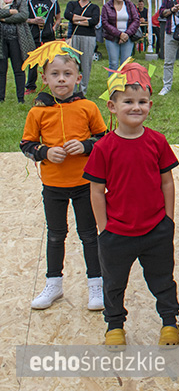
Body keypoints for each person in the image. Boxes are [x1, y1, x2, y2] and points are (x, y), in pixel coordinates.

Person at [82, 59, 179, 347]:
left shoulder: (157, 141)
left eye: (143, 101)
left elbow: (167, 181)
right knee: (114, 283)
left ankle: (169, 323)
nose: (136, 107)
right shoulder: (103, 148)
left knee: (163, 281)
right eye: (128, 101)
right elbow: (96, 191)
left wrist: (169, 219)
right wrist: (104, 228)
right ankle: (114, 326)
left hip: (155, 230)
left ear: (150, 104)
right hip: (117, 233)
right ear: (112, 107)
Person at [20, 41, 107, 311]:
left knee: (89, 235)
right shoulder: (37, 112)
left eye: (67, 74)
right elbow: (26, 145)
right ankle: (54, 283)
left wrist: (86, 146)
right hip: (53, 186)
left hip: (84, 185)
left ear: (78, 78)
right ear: (44, 78)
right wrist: (44, 152)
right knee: (56, 235)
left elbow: (104, 140)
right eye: (55, 74)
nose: (61, 79)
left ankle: (96, 284)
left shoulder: (88, 107)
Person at [0, 0, 35, 103]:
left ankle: (21, 98)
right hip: (1, 39)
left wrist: (3, 19)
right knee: (1, 70)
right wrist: (10, 12)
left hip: (17, 38)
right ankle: (1, 98)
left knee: (18, 69)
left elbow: (24, 16)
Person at [26, 0, 61, 95]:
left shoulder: (53, 1)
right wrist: (32, 21)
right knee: (32, 63)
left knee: (50, 63)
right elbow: (23, 18)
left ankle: (52, 84)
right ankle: (31, 86)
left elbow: (58, 17)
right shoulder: (29, 1)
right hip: (33, 36)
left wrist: (53, 28)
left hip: (48, 37)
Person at [64, 0, 100, 94]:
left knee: (85, 63)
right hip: (74, 36)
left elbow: (94, 21)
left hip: (88, 37)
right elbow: (67, 15)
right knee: (73, 62)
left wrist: (76, 19)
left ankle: (82, 90)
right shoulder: (72, 4)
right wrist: (85, 19)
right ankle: (72, 89)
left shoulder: (94, 7)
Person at [101, 0, 140, 72]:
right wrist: (119, 34)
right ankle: (113, 85)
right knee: (113, 63)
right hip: (111, 37)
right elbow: (105, 23)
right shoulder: (106, 6)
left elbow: (136, 20)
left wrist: (126, 34)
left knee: (125, 64)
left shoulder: (130, 5)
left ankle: (125, 84)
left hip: (128, 37)